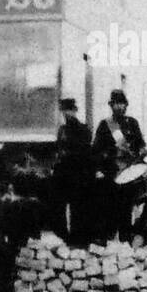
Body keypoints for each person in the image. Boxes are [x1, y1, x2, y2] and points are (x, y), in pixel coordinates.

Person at [91, 89, 147, 242]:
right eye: (116, 104)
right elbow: (95, 150)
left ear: (126, 106)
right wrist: (99, 169)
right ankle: (107, 250)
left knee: (125, 215)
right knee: (109, 213)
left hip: (129, 174)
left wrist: (142, 151)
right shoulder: (105, 125)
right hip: (111, 174)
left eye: (122, 103)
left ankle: (125, 249)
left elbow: (141, 145)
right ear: (111, 106)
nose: (119, 107)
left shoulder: (132, 123)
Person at [51, 97, 94, 244]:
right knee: (59, 207)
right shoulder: (62, 130)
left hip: (79, 174)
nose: (67, 114)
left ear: (75, 111)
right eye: (64, 111)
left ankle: (79, 239)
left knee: (78, 208)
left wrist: (68, 153)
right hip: (63, 174)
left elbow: (84, 152)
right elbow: (58, 149)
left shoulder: (83, 129)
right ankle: (63, 237)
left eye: (69, 111)